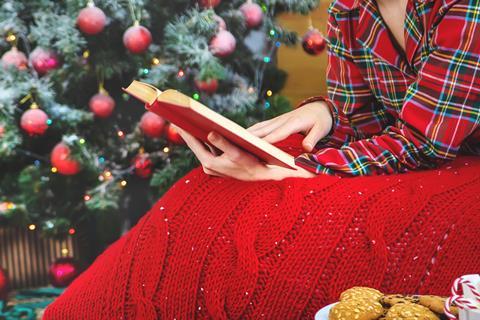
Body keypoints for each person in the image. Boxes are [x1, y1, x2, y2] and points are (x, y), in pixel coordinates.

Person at [44, 0, 480, 318]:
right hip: (409, 148)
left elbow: (425, 141)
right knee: (228, 181)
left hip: (452, 157)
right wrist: (326, 112)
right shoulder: (351, 5)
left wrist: (301, 171)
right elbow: (361, 119)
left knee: (292, 196)